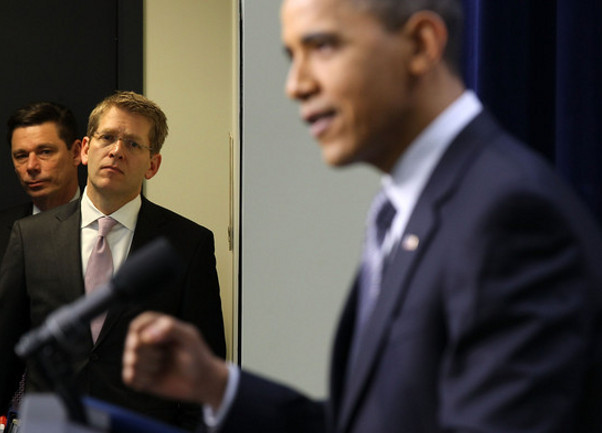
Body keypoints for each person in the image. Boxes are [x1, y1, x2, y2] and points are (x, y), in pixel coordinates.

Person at [122, 1, 602, 432]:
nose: (296, 85)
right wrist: (217, 385)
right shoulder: (401, 210)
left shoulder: (511, 215)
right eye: (292, 57)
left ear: (421, 44)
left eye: (322, 46)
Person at [0, 91, 226, 430]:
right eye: (107, 138)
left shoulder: (187, 244)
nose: (117, 151)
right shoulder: (31, 236)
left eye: (133, 144)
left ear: (153, 165)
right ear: (86, 149)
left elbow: (203, 369)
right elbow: (6, 351)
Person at [0, 101, 82, 258]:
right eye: (22, 156)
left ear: (76, 153)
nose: (31, 166)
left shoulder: (104, 225)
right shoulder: (3, 232)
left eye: (45, 152)